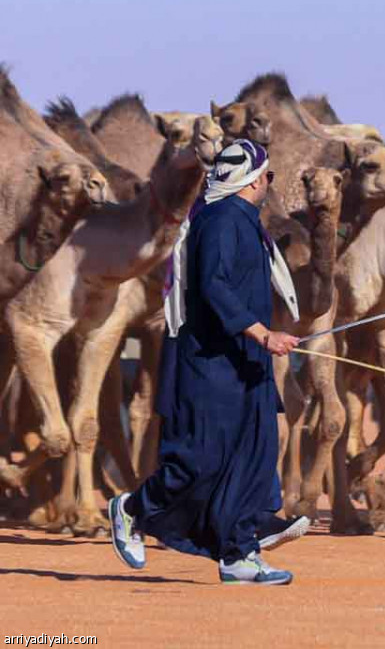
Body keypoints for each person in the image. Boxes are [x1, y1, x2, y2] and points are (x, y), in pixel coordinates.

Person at [109, 139, 304, 584]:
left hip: (244, 359)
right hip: (210, 362)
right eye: (268, 176)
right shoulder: (219, 221)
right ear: (255, 180)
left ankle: (238, 551)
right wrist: (262, 333)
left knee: (252, 455)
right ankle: (132, 508)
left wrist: (262, 340)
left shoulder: (245, 222)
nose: (268, 183)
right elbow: (214, 288)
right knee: (200, 460)